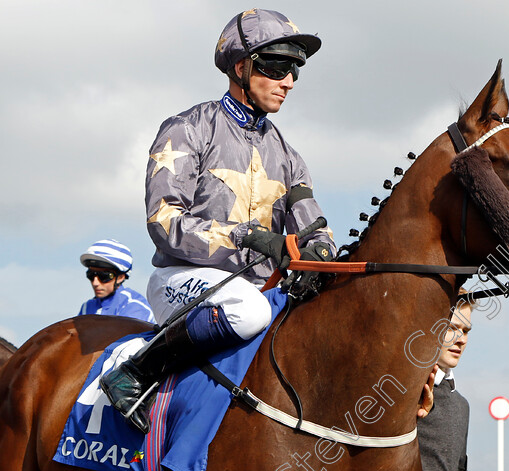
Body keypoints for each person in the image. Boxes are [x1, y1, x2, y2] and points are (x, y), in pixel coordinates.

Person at [100, 9, 336, 434]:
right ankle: (136, 371)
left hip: (253, 290)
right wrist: (249, 237)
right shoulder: (187, 129)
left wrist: (324, 251)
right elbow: (165, 222)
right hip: (181, 279)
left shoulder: (290, 156)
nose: (289, 82)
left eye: (295, 70)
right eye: (278, 66)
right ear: (242, 68)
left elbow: (311, 226)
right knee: (248, 312)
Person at [418, 290, 472, 471]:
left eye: (466, 330)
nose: (461, 340)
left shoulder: (461, 405)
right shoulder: (398, 391)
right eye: (451, 328)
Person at [78, 239, 155, 323]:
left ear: (120, 277)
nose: (95, 283)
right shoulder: (86, 308)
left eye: (103, 276)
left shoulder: (135, 306)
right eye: (91, 275)